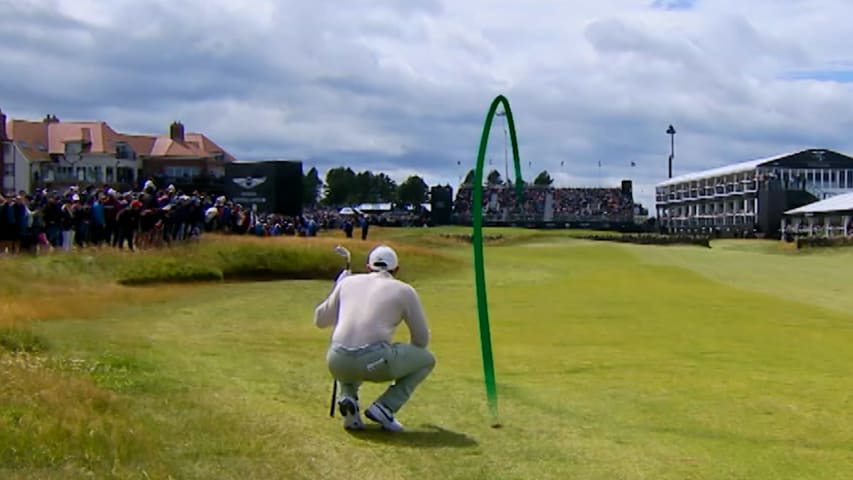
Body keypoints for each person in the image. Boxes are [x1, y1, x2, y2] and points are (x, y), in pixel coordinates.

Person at [314, 244, 435, 432]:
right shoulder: (405, 290)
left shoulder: (347, 282)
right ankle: (385, 407)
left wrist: (338, 286)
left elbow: (320, 320)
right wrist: (398, 353)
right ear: (396, 269)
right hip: (375, 361)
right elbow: (421, 341)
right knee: (427, 360)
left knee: (349, 358)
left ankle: (348, 397)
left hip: (336, 360)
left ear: (368, 266)